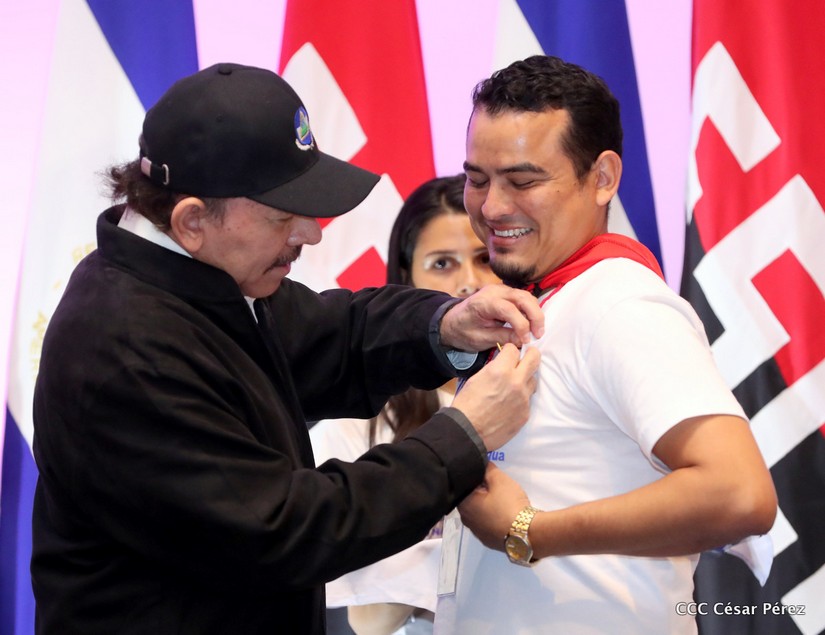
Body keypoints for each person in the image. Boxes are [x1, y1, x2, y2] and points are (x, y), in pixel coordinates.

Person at [29, 63, 545, 635]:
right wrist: (462, 437)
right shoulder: (127, 350)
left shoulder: (201, 279)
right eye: (283, 216)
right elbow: (282, 531)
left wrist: (445, 324)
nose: (311, 233)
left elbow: (335, 334)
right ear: (193, 220)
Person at [433, 55, 777, 635]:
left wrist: (528, 531)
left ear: (603, 178)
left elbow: (740, 494)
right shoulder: (550, 300)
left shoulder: (619, 303)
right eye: (477, 179)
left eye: (523, 181)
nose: (491, 207)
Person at [310, 174, 501, 635]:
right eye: (442, 264)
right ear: (406, 276)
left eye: (484, 258)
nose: (468, 282)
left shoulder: (553, 382)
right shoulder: (357, 421)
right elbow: (362, 617)